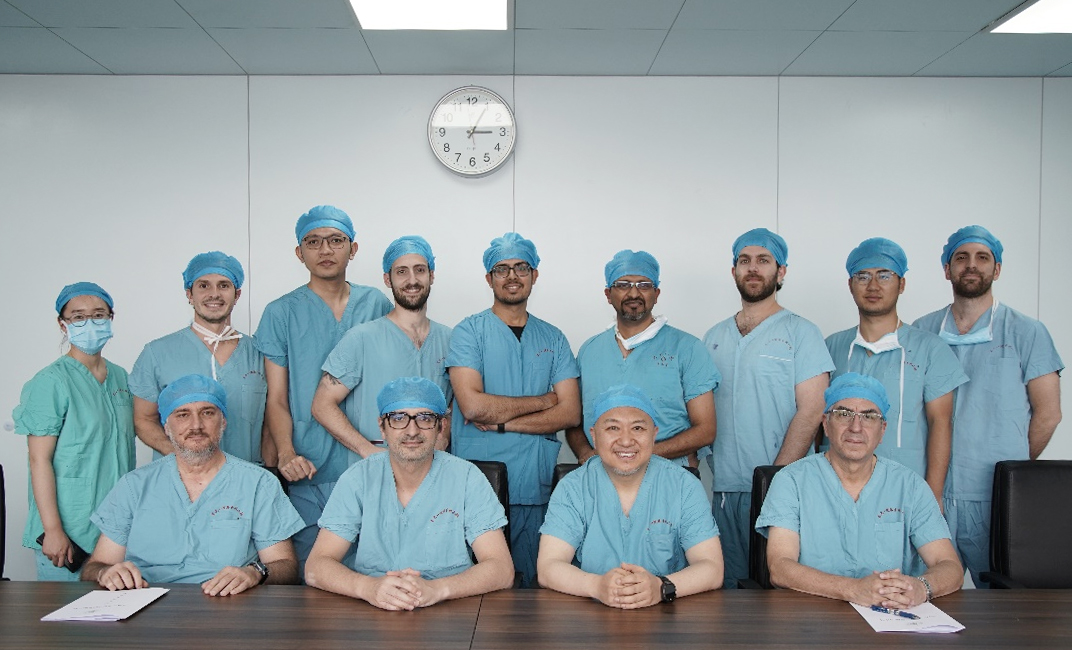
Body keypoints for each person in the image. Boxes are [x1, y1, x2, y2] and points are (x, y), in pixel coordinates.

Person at [913, 225, 1063, 587]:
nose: (971, 265)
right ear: (947, 269)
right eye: (961, 257)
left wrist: (1012, 467)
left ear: (996, 269)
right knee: (921, 596)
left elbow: (1049, 413)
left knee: (1000, 596)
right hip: (930, 492)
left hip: (996, 495)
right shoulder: (922, 331)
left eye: (982, 258)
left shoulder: (1027, 332)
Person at [254, 205, 392, 570]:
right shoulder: (280, 313)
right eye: (313, 242)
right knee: (312, 573)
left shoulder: (376, 304)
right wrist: (286, 452)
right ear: (299, 253)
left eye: (336, 240)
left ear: (353, 249)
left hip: (370, 458)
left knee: (374, 570)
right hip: (308, 464)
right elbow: (276, 398)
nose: (325, 250)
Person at [81, 374, 303, 594]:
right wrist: (105, 573)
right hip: (146, 600)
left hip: (227, 601)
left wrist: (255, 572)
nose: (196, 425)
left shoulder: (258, 483)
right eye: (182, 415)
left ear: (223, 422)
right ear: (166, 427)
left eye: (207, 413)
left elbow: (286, 567)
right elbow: (96, 565)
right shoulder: (134, 486)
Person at [305, 377, 514, 609]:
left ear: (441, 427)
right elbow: (316, 566)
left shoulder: (467, 478)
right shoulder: (358, 478)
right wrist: (368, 587)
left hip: (450, 609)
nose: (412, 431)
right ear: (382, 427)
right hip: (372, 609)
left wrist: (437, 589)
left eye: (425, 418)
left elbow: (501, 570)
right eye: (398, 418)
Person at [756, 373, 963, 607]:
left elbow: (950, 566)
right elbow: (780, 568)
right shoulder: (791, 481)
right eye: (843, 414)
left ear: (882, 430)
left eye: (869, 416)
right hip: (810, 615)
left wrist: (920, 587)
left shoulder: (910, 486)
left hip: (890, 618)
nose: (856, 427)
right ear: (825, 424)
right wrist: (852, 590)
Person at [447, 231, 581, 588]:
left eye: (521, 267)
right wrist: (544, 401)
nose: (512, 276)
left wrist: (505, 424)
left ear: (534, 275)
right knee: (475, 590)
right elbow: (473, 406)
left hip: (534, 485)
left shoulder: (553, 338)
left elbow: (570, 413)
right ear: (489, 278)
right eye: (501, 269)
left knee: (533, 593)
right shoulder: (468, 333)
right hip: (477, 485)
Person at [703, 228, 833, 589]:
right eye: (744, 261)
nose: (753, 268)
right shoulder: (713, 337)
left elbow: (812, 411)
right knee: (728, 591)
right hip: (726, 490)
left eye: (763, 260)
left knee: (780, 592)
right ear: (734, 271)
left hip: (783, 490)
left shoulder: (801, 333)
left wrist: (775, 481)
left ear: (781, 271)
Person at [538, 385, 723, 608]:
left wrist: (661, 587)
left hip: (667, 614)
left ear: (654, 435)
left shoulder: (684, 486)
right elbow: (549, 566)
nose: (626, 441)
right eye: (613, 428)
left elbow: (712, 568)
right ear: (594, 436)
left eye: (637, 428)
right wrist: (596, 586)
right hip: (590, 613)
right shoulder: (573, 487)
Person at [824, 237, 967, 505]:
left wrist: (933, 497)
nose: (873, 286)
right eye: (863, 276)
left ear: (901, 284)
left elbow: (940, 423)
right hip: (835, 488)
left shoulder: (929, 349)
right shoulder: (831, 347)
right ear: (850, 285)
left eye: (884, 276)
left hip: (905, 490)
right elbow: (816, 422)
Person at [13, 282, 136, 581]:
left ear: (111, 318)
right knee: (67, 608)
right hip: (69, 530)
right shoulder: (50, 382)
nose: (89, 323)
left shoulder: (121, 377)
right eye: (78, 317)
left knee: (117, 606)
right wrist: (53, 529)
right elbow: (39, 460)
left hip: (116, 526)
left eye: (98, 315)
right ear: (63, 324)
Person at [565, 250, 719, 469]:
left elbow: (705, 430)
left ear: (656, 294)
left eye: (644, 285)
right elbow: (574, 419)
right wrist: (584, 454)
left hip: (669, 473)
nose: (634, 293)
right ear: (608, 294)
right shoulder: (590, 351)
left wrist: (634, 456)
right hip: (603, 475)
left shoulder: (687, 348)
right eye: (623, 285)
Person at [313, 236, 453, 463]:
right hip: (376, 467)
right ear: (388, 279)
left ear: (431, 275)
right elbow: (322, 405)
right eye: (401, 272)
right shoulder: (362, 339)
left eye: (419, 270)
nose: (412, 280)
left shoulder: (450, 340)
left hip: (433, 465)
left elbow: (455, 400)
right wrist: (366, 450)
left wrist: (443, 437)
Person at [130, 251, 270, 465]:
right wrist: (185, 460)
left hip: (245, 478)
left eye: (224, 285)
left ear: (237, 295)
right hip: (180, 478)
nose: (214, 294)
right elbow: (143, 419)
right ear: (190, 294)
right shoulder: (157, 353)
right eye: (204, 286)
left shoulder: (260, 354)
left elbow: (271, 423)